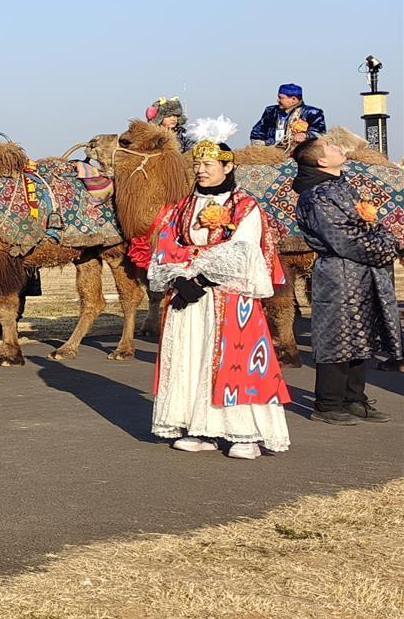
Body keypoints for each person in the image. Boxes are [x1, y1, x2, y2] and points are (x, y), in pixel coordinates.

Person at [145, 140, 290, 458]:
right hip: (188, 299)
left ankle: (245, 434)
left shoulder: (245, 206)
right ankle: (200, 428)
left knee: (234, 361)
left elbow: (244, 251)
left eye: (209, 164)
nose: (200, 170)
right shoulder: (181, 207)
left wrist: (200, 278)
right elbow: (166, 245)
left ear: (227, 167)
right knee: (191, 356)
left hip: (229, 296)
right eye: (197, 164)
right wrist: (179, 279)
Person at [293, 137, 399, 424]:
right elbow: (345, 240)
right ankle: (328, 404)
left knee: (361, 334)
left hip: (364, 272)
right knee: (337, 337)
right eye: (330, 147)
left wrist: (384, 241)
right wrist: (385, 249)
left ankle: (355, 398)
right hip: (338, 274)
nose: (339, 148)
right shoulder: (316, 196)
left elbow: (375, 227)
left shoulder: (343, 188)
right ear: (320, 161)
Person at [250, 84, 325, 147]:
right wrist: (259, 143)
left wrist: (305, 135)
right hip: (272, 149)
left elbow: (320, 133)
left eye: (281, 98)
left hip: (299, 151)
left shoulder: (313, 112)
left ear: (293, 99)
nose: (277, 100)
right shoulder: (271, 111)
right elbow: (259, 130)